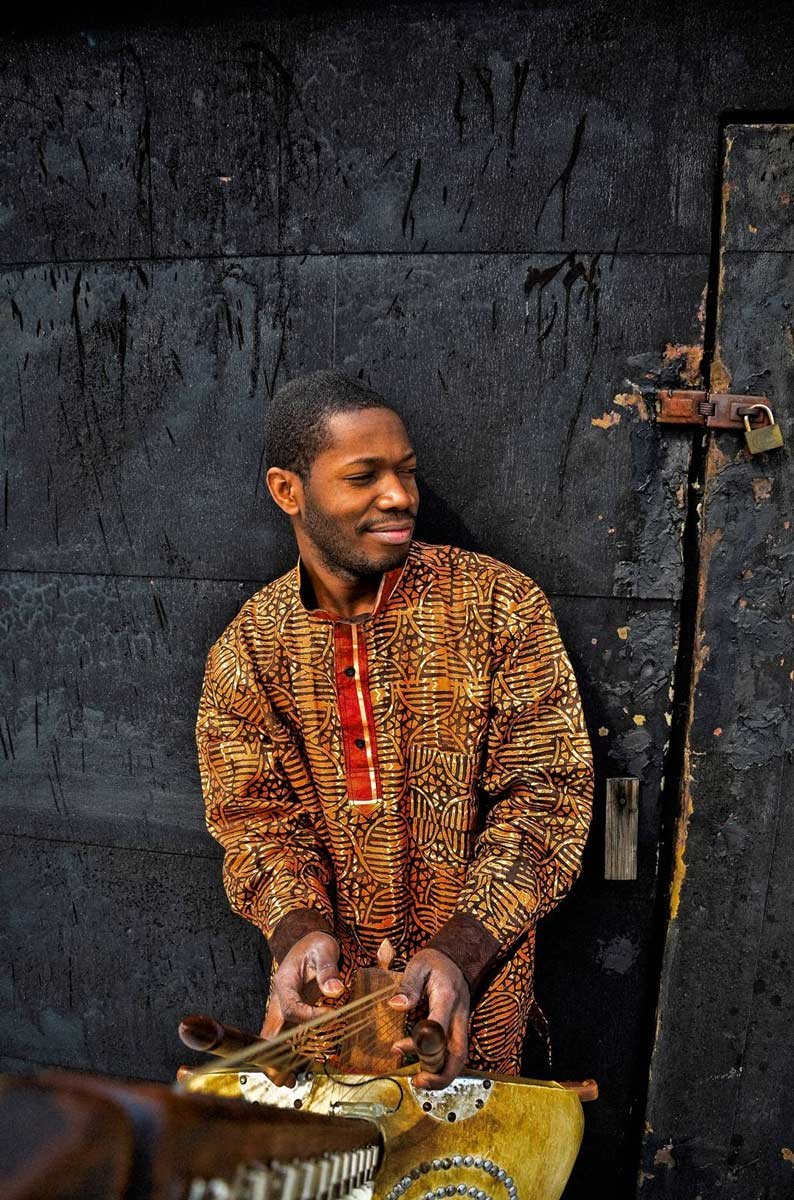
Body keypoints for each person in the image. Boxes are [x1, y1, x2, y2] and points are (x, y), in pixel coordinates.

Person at [195, 369, 594, 1090]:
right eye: (364, 476)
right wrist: (298, 933)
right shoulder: (250, 648)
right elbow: (254, 822)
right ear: (288, 491)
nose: (400, 496)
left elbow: (547, 797)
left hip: (473, 1005)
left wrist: (461, 952)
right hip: (326, 1014)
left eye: (406, 471)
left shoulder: (499, 606)